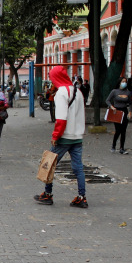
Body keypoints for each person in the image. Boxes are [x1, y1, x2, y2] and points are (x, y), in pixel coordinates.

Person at [35, 65, 87, 208]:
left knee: (50, 164)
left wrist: (55, 135)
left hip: (64, 137)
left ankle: (48, 194)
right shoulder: (78, 91)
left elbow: (61, 119)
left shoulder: (61, 93)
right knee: (78, 168)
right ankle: (82, 197)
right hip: (77, 136)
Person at [105, 78, 132, 154]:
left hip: (124, 111)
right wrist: (112, 107)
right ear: (119, 82)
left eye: (125, 82)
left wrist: (130, 112)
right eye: (123, 82)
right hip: (116, 111)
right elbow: (107, 100)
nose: (124, 83)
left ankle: (122, 148)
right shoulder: (114, 91)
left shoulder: (128, 92)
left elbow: (130, 103)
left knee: (123, 130)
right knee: (118, 130)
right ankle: (113, 145)